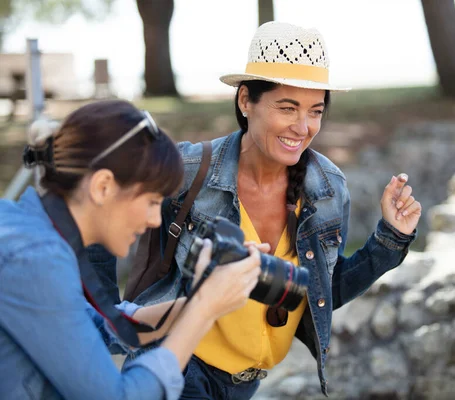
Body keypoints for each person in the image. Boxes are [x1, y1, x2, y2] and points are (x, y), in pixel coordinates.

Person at [90, 21, 422, 399]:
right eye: (287, 107)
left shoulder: (329, 189)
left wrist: (390, 239)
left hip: (246, 384)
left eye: (315, 110)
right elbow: (97, 206)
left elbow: (319, 294)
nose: (303, 126)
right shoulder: (187, 170)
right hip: (176, 369)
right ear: (246, 100)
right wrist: (104, 318)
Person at [0, 100, 263, 400]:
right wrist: (203, 309)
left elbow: (95, 328)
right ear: (103, 187)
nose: (154, 220)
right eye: (152, 201)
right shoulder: (35, 258)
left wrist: (204, 298)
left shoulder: (27, 233)